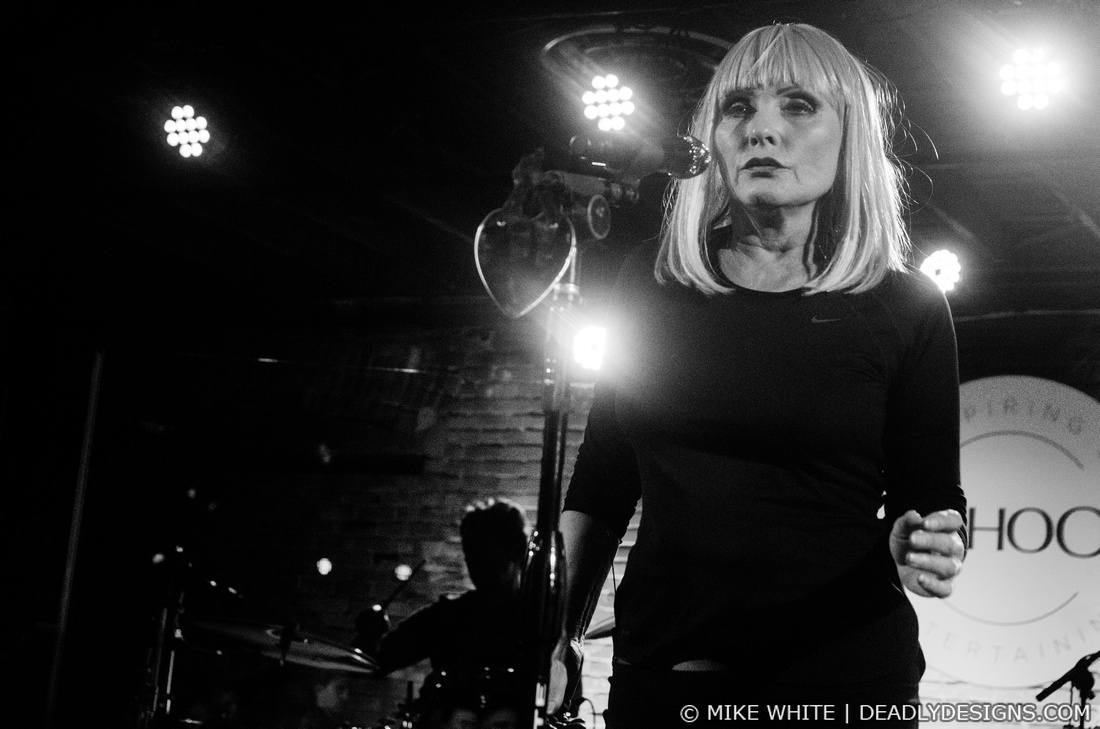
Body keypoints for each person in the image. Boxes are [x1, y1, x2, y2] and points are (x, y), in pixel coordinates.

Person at [549, 23, 967, 728]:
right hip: (666, 683)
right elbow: (603, 476)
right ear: (711, 138)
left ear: (851, 135)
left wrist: (925, 538)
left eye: (798, 105)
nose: (761, 129)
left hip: (842, 683)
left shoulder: (907, 307)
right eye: (738, 107)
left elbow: (931, 498)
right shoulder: (652, 284)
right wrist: (552, 631)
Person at [356, 498, 532, 729]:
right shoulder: (448, 615)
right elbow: (377, 662)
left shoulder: (539, 622)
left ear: (517, 550)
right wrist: (370, 636)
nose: (474, 561)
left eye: (485, 548)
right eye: (469, 550)